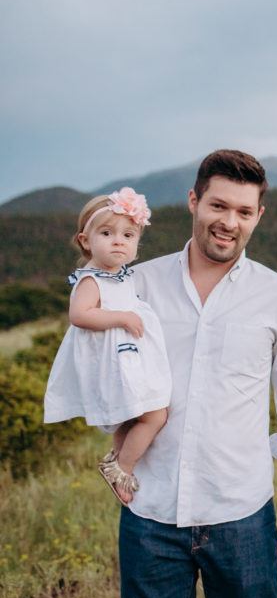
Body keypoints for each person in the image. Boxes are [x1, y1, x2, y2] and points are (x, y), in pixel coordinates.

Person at [119, 149, 277, 598]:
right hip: (150, 511)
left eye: (243, 211)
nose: (228, 221)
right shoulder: (139, 285)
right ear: (194, 201)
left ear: (258, 216)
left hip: (241, 514)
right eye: (218, 206)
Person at [44, 187, 171, 505]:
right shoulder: (91, 280)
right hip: (111, 362)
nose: (119, 240)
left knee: (130, 416)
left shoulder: (122, 276)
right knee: (155, 415)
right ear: (86, 241)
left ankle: (116, 458)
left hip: (128, 357)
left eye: (128, 235)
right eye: (107, 232)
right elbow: (79, 315)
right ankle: (121, 466)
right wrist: (122, 317)